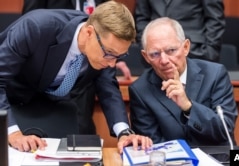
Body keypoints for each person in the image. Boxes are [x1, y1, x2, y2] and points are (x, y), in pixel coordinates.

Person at [0, 1, 152, 153]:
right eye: (109, 53)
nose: (112, 64)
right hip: (9, 102)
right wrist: (12, 132)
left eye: (119, 56)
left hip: (55, 109)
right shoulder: (36, 27)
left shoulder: (104, 51)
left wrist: (124, 132)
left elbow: (109, 90)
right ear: (89, 33)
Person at [129, 17, 238, 146]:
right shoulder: (140, 90)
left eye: (171, 50)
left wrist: (188, 107)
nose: (164, 60)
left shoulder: (215, 74)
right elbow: (153, 147)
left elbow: (224, 129)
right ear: (146, 57)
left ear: (186, 47)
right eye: (155, 54)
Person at [22, 0, 132, 80]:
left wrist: (115, 55)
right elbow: (30, 24)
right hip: (49, 67)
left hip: (88, 70)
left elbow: (111, 27)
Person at [135, 0, 225, 62]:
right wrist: (146, 48)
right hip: (157, 56)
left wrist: (210, 51)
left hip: (196, 52)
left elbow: (215, 19)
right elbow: (142, 18)